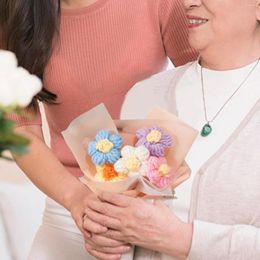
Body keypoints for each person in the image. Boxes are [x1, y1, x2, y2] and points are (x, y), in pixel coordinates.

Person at [0, 0, 197, 259]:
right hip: (70, 210)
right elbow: (23, 132)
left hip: (156, 210)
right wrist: (78, 201)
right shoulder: (16, 12)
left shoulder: (161, 3)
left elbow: (203, 89)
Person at [82, 0, 260, 259]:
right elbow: (119, 212)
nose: (188, 2)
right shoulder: (145, 95)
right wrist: (104, 233)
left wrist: (180, 239)